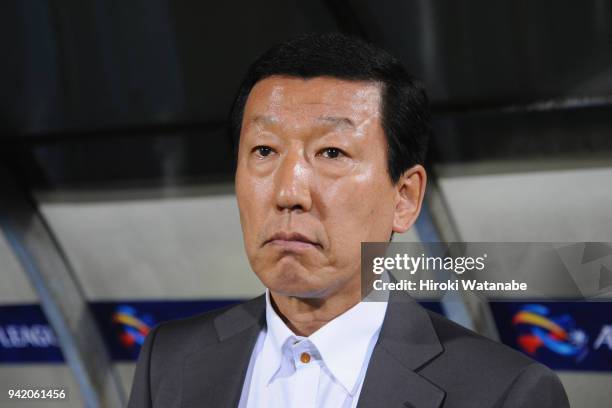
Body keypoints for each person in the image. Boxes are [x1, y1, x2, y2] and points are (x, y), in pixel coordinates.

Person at [128, 33, 569, 408]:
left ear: (405, 197)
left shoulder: (503, 393)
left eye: (332, 153)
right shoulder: (169, 359)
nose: (289, 193)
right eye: (264, 151)